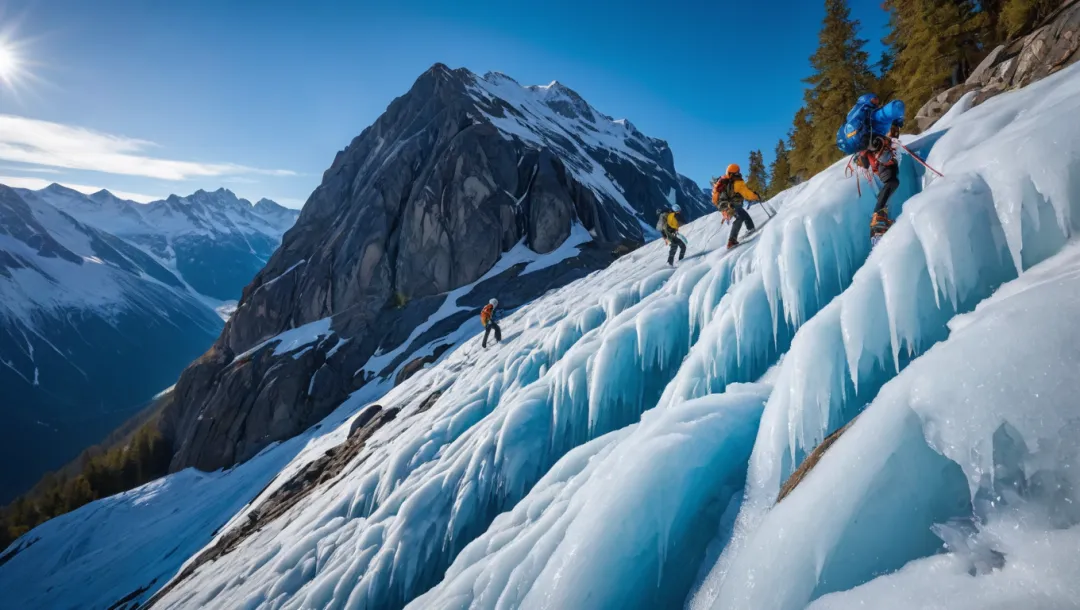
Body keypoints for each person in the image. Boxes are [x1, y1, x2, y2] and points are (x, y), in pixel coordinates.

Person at [844, 93, 906, 243]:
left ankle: (879, 219)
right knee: (892, 182)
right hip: (878, 152)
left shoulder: (856, 123)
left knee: (889, 182)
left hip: (866, 156)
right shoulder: (877, 116)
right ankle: (878, 218)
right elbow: (897, 106)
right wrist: (897, 123)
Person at [712, 164, 760, 249]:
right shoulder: (737, 182)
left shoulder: (724, 180)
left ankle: (751, 229)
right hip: (731, 204)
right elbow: (746, 193)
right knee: (740, 217)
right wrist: (755, 196)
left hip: (724, 205)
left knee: (743, 215)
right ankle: (732, 240)